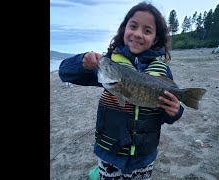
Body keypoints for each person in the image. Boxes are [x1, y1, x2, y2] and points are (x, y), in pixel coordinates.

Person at [58, 2, 184, 179]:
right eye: (133, 26)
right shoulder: (109, 64)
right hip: (110, 153)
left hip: (144, 156)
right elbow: (64, 72)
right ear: (124, 29)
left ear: (155, 38)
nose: (138, 34)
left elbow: (166, 113)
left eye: (147, 30)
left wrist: (175, 112)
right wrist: (82, 63)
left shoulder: (162, 71)